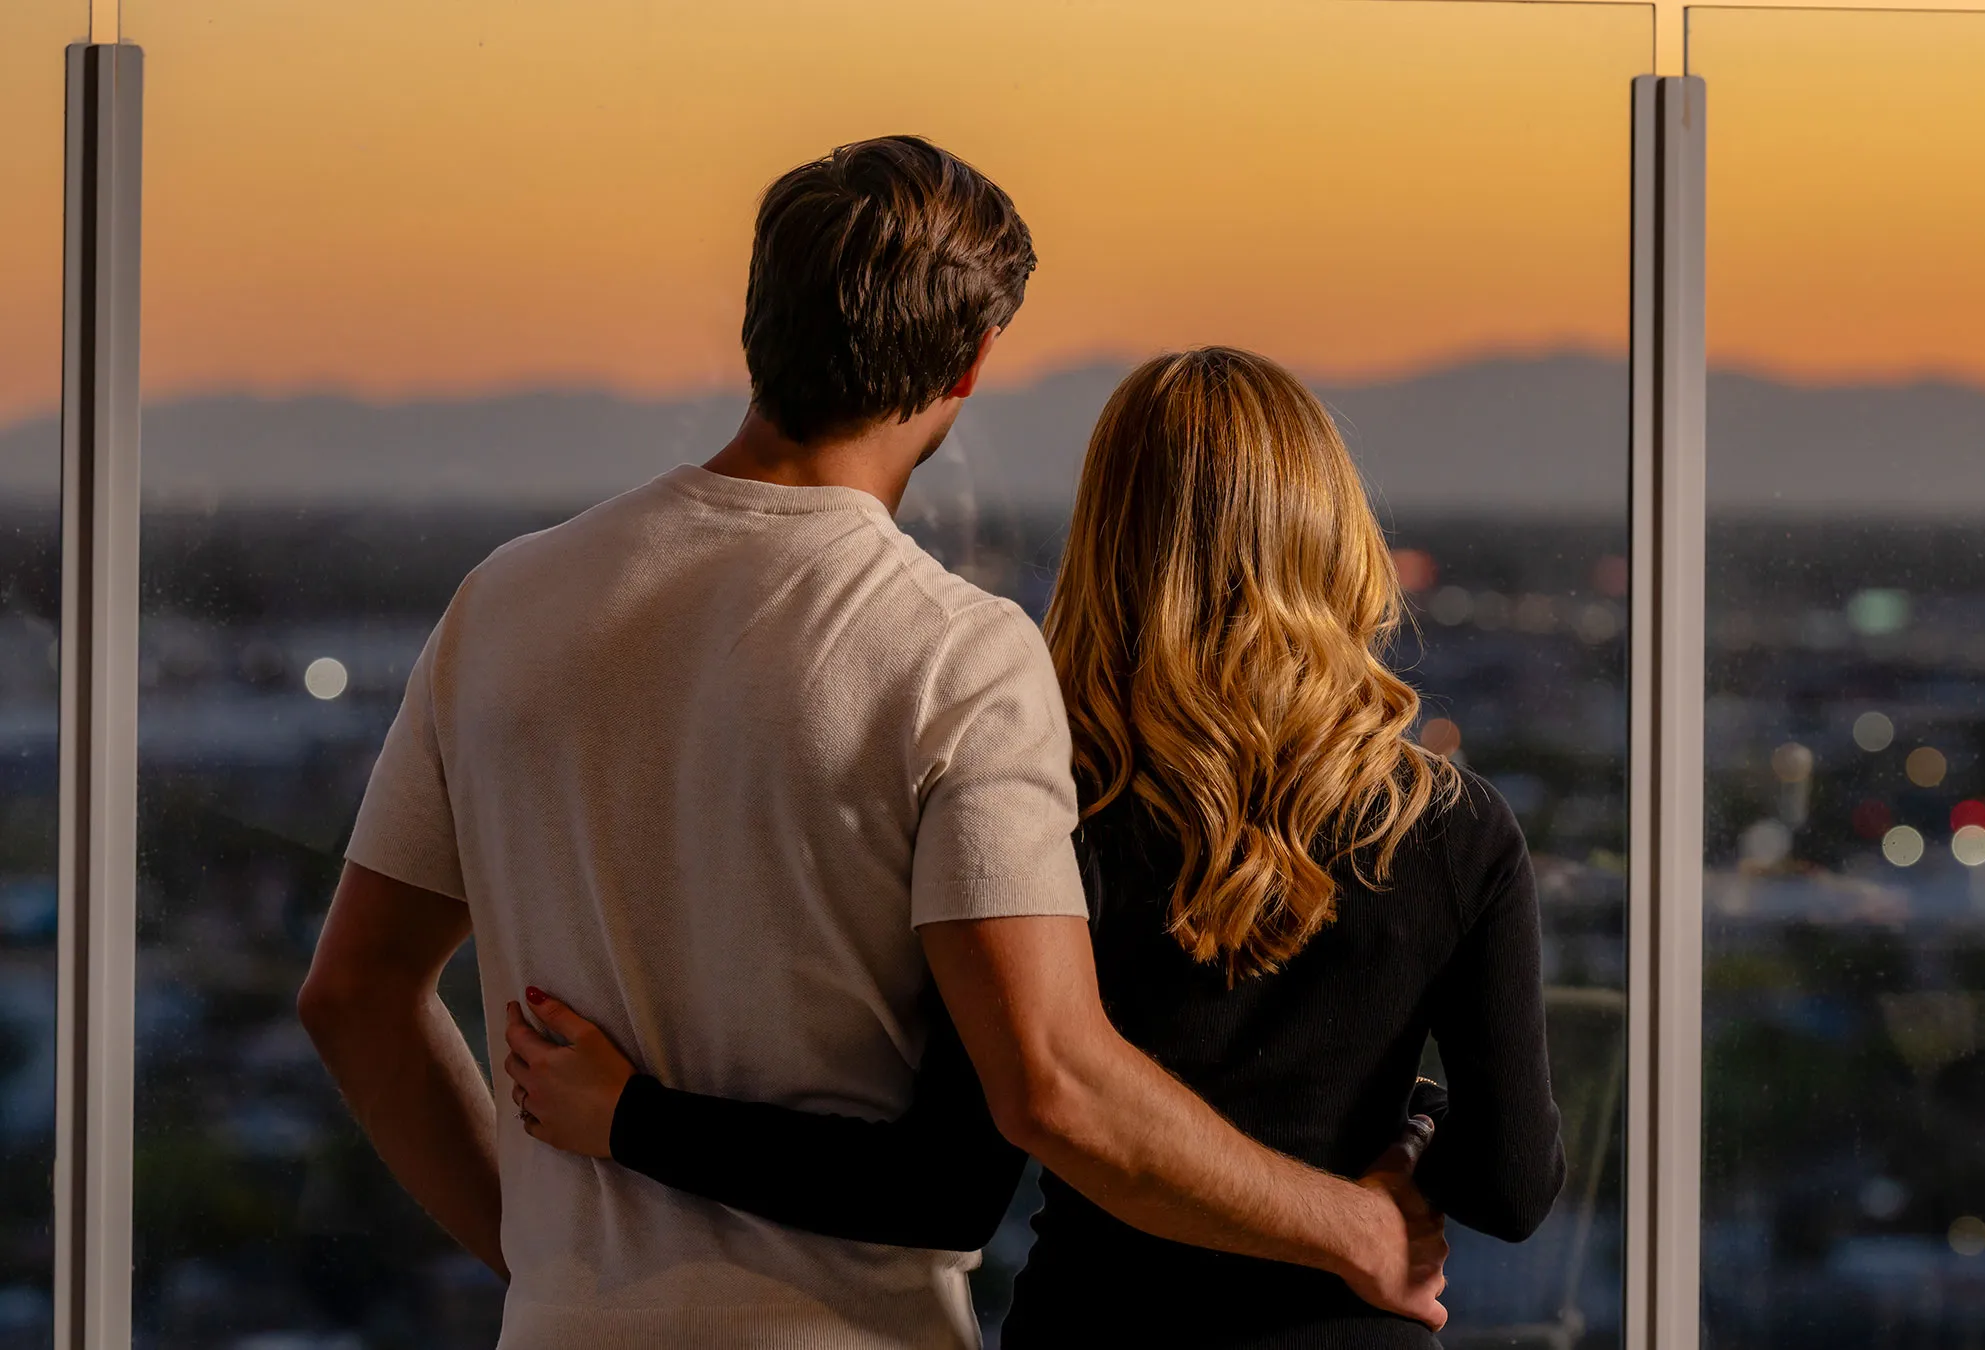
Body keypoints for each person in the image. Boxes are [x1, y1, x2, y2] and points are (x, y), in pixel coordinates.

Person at [297, 139, 1446, 1350]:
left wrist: (546, 1265)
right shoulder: (956, 655)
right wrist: (1356, 1229)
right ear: (972, 362)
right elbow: (1052, 1083)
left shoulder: (506, 603)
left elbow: (355, 996)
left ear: (758, 319)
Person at [501, 347, 1567, 1346]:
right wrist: (1416, 1128)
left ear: (1109, 540)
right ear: (1332, 535)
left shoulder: (1049, 805)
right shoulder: (1456, 831)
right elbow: (1514, 1190)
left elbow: (939, 1189)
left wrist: (635, 1119)